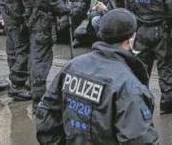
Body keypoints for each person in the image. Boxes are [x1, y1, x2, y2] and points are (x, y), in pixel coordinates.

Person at [35, 9, 159, 144]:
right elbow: (139, 139)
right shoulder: (128, 85)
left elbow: (46, 117)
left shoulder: (72, 66)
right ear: (131, 38)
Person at [16, 0, 71, 109]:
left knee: (38, 55)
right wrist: (64, 8)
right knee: (41, 57)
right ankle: (39, 97)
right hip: (40, 18)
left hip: (36, 17)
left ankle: (36, 91)